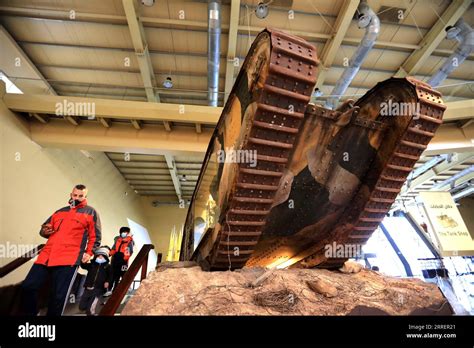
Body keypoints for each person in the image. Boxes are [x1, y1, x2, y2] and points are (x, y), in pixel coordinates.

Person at [21, 184, 101, 316]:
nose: (77, 198)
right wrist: (45, 231)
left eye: (81, 196)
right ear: (71, 195)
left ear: (85, 196)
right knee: (28, 286)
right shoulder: (59, 211)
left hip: (69, 259)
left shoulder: (91, 212)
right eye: (75, 195)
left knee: (58, 296)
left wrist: (89, 252)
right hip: (46, 256)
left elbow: (95, 236)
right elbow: (44, 230)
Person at [79, 246, 112, 316]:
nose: (100, 257)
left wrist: (107, 282)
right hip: (88, 287)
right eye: (98, 256)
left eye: (102, 256)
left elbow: (110, 276)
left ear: (105, 257)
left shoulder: (107, 266)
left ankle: (91, 312)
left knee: (90, 309)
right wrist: (83, 261)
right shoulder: (92, 264)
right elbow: (83, 266)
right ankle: (86, 307)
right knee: (81, 306)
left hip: (98, 288)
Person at [104, 227, 134, 296]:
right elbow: (114, 249)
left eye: (126, 232)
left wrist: (124, 259)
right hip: (115, 259)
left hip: (123, 262)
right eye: (123, 232)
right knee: (113, 275)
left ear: (128, 233)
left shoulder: (129, 241)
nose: (124, 233)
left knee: (123, 274)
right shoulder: (117, 240)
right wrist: (108, 255)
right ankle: (109, 290)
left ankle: (123, 290)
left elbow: (129, 252)